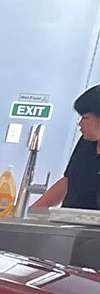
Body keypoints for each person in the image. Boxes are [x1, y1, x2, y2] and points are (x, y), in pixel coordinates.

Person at [29, 85, 100, 214]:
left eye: (85, 118)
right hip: (70, 221)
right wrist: (33, 212)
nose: (80, 123)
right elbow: (69, 180)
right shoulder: (86, 143)